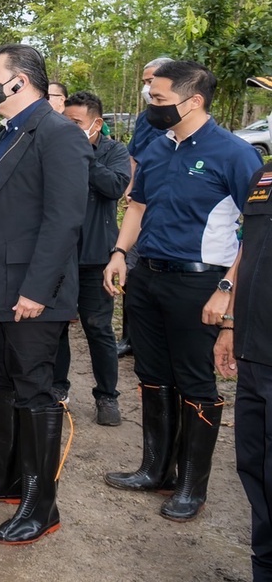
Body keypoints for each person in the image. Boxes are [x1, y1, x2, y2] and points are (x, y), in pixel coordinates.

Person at [103, 60, 262, 522]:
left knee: (195, 381)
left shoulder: (234, 154)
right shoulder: (156, 147)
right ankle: (156, 469)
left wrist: (227, 290)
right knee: (152, 375)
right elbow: (137, 206)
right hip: (148, 275)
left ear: (193, 101)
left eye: (159, 99)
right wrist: (119, 253)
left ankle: (193, 485)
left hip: (200, 282)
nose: (150, 107)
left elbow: (256, 232)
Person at [0, 44, 90, 546]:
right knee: (1, 383)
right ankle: (3, 476)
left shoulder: (58, 135)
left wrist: (36, 289)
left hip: (31, 295)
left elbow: (63, 220)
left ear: (18, 82)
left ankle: (40, 504)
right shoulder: (8, 133)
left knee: (35, 393)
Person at [54, 91, 130, 426]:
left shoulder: (115, 152)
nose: (68, 129)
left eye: (76, 124)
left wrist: (84, 155)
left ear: (96, 124)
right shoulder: (56, 150)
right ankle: (58, 388)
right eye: (65, 122)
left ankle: (107, 396)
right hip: (60, 255)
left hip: (97, 258)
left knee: (98, 328)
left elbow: (115, 186)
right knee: (56, 327)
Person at [215, 155, 272, 581]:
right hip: (254, 351)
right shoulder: (264, 175)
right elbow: (247, 249)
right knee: (254, 470)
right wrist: (230, 324)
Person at [116, 56, 176, 359]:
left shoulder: (185, 121)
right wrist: (130, 190)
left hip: (169, 212)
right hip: (140, 208)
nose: (146, 87)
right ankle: (130, 337)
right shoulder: (144, 119)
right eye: (143, 82)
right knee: (133, 270)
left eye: (151, 81)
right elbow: (134, 157)